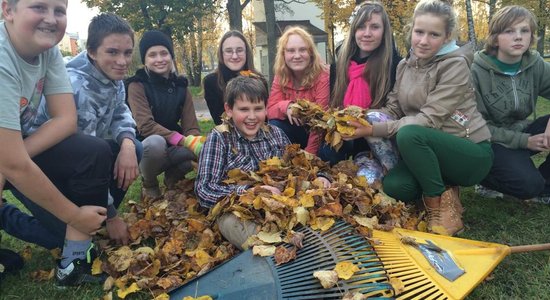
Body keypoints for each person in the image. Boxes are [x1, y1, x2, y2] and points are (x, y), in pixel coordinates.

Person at [345, 0, 493, 236]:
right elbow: (393, 108)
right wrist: (364, 120)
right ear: (411, 30)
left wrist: (372, 131)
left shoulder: (455, 65)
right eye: (419, 32)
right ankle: (445, 189)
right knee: (395, 186)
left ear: (446, 37)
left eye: (433, 34)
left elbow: (427, 121)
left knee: (410, 133)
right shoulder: (405, 65)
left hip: (468, 152)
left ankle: (438, 207)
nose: (423, 41)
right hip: (428, 154)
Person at [0, 0, 111, 286]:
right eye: (39, 7)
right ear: (7, 10)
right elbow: (13, 163)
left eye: (59, 11)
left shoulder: (46, 52)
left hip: (10, 148)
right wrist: (75, 216)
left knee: (94, 151)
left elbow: (65, 120)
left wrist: (10, 161)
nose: (51, 19)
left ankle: (73, 263)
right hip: (8, 152)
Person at [32, 13, 141, 245]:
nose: (122, 61)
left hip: (83, 160)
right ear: (92, 51)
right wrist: (112, 217)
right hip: (41, 167)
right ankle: (5, 216)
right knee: (63, 240)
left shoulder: (113, 75)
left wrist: (128, 144)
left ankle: (95, 214)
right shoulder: (77, 87)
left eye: (127, 52)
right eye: (112, 52)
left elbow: (120, 111)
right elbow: (89, 160)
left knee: (135, 149)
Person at [195, 75, 330, 249]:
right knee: (231, 224)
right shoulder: (220, 138)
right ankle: (277, 248)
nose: (252, 117)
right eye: (244, 109)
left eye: (258, 109)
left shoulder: (275, 134)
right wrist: (250, 191)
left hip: (280, 203)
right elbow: (203, 190)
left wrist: (321, 175)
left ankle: (307, 240)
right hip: (240, 209)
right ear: (229, 110)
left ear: (266, 109)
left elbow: (301, 165)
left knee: (316, 205)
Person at [471, 5, 550, 203]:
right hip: (491, 141)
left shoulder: (535, 64)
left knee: (538, 186)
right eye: (509, 31)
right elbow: (475, 127)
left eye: (524, 31)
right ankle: (484, 178)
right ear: (495, 37)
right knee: (528, 185)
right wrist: (524, 141)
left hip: (523, 129)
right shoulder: (475, 71)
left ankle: (545, 187)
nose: (518, 37)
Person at [318, 1, 401, 169]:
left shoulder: (395, 65)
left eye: (375, 27)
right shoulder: (339, 66)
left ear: (384, 31)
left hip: (380, 139)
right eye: (361, 27)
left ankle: (393, 171)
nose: (367, 33)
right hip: (347, 138)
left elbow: (395, 112)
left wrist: (362, 126)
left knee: (373, 117)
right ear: (354, 30)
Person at [126, 30, 203, 198]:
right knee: (155, 143)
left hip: (174, 145)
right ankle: (150, 183)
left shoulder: (181, 87)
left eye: (164, 53)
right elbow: (145, 126)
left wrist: (196, 143)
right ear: (145, 60)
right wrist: (182, 140)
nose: (159, 59)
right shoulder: (137, 85)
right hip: (146, 145)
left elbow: (191, 126)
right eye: (152, 55)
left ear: (171, 56)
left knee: (202, 145)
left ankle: (174, 178)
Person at [267, 26, 329, 155]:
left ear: (310, 52)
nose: (297, 56)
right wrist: (287, 106)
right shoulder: (281, 75)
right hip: (295, 130)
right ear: (284, 54)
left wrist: (309, 154)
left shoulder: (323, 75)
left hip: (320, 132)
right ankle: (286, 159)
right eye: (291, 51)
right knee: (274, 124)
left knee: (328, 149)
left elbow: (320, 119)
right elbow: (270, 110)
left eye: (302, 50)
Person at [203, 30, 265, 125]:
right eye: (229, 51)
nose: (235, 56)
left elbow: (264, 117)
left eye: (239, 50)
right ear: (221, 54)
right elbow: (219, 120)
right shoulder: (211, 82)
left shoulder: (259, 80)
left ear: (246, 53)